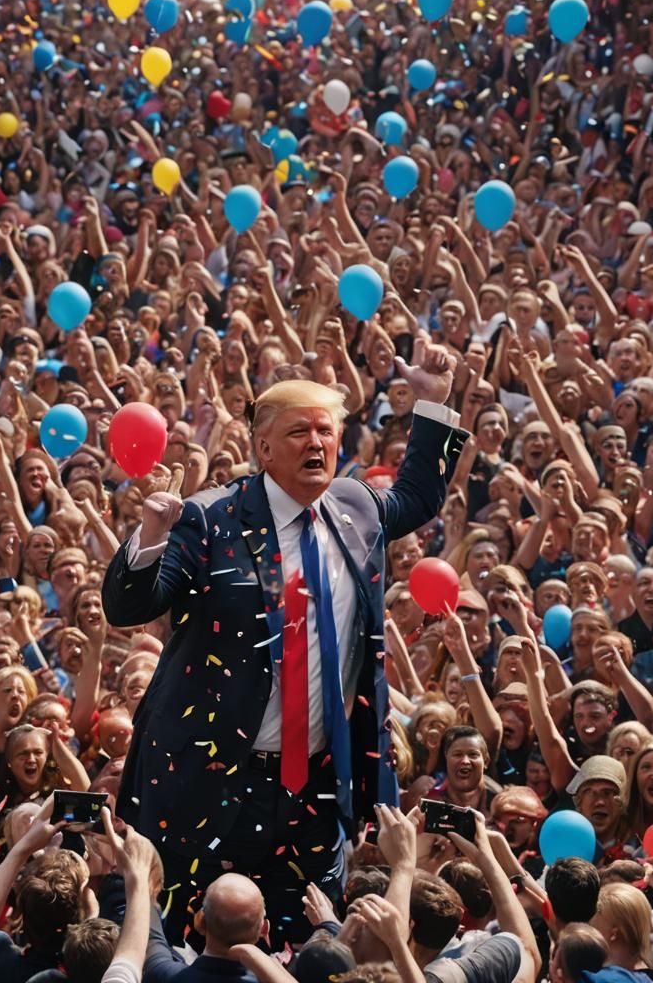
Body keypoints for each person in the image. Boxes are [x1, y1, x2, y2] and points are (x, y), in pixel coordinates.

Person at [103, 358, 467, 941]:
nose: (316, 444)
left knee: (307, 943)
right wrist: (149, 538)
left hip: (314, 789)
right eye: (299, 432)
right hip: (205, 780)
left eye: (326, 431)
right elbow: (129, 608)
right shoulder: (210, 518)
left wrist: (432, 401)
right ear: (263, 447)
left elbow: (420, 495)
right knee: (181, 942)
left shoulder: (357, 508)